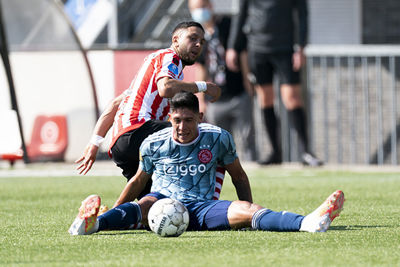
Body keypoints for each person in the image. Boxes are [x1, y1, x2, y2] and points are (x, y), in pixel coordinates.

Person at [69, 91, 344, 236]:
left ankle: (307, 223)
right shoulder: (154, 142)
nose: (181, 127)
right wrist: (117, 212)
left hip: (203, 207)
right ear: (170, 118)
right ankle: (92, 225)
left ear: (199, 117)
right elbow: (139, 180)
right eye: (176, 120)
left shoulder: (217, 138)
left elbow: (239, 176)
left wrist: (247, 212)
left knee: (248, 210)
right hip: (161, 202)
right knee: (141, 205)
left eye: (188, 120)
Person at [75, 21, 221, 199]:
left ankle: (107, 217)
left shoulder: (150, 73)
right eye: (192, 38)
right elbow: (165, 88)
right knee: (211, 138)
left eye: (202, 41)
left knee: (154, 206)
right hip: (139, 130)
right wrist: (204, 86)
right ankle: (209, 202)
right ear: (175, 40)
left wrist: (95, 143)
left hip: (121, 145)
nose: (198, 45)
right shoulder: (169, 57)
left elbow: (114, 105)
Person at [226, 0, 322, 166]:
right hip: (258, 48)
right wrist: (233, 47)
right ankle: (275, 152)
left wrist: (301, 47)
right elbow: (240, 15)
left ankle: (306, 152)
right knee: (265, 99)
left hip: (285, 49)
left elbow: (302, 14)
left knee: (292, 98)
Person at [188, 0, 256, 161]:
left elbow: (242, 52)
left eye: (201, 8)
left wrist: (248, 81)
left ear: (210, 6)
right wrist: (200, 98)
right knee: (219, 143)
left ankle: (252, 168)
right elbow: (202, 68)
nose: (199, 12)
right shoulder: (197, 36)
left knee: (247, 139)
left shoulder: (228, 24)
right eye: (195, 9)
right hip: (216, 98)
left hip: (238, 91)